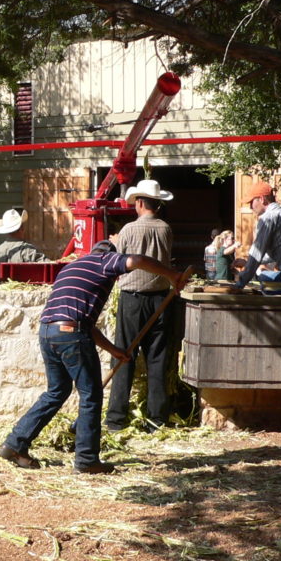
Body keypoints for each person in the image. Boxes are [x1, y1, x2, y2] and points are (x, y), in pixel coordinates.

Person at [0, 238, 190, 475]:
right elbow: (138, 260)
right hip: (70, 331)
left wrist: (113, 349)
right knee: (91, 394)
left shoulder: (72, 268)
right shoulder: (103, 261)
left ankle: (15, 443)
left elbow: (82, 321)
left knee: (56, 391)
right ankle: (87, 459)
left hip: (48, 331)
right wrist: (172, 275)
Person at [106, 179, 176, 432]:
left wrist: (115, 242)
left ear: (141, 202)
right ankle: (157, 419)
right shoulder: (165, 228)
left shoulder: (129, 230)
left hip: (133, 297)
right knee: (157, 358)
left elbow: (119, 259)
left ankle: (115, 418)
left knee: (124, 356)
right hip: (160, 297)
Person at [0, 208, 46, 278]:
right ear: (21, 229)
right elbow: (48, 268)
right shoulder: (29, 251)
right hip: (26, 288)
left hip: (2, 288)